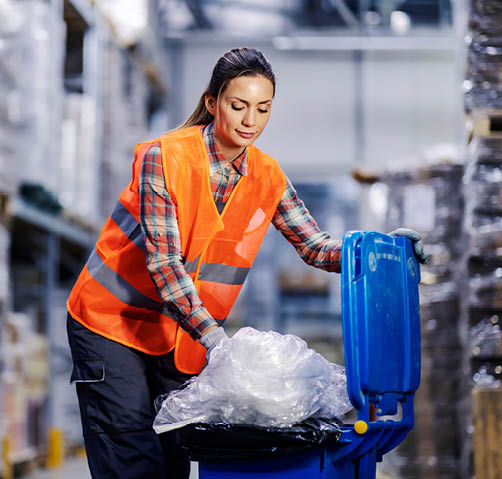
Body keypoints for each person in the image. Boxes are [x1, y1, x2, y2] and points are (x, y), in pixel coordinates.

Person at [66, 47, 427, 479]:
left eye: (262, 109)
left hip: (179, 335)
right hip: (112, 323)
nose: (250, 121)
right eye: (238, 106)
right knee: (132, 459)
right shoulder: (163, 158)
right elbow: (164, 265)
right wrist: (218, 343)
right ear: (212, 102)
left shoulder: (267, 175)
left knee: (175, 457)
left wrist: (375, 251)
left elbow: (314, 246)